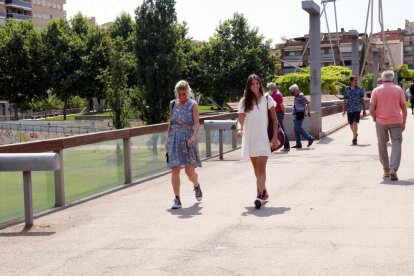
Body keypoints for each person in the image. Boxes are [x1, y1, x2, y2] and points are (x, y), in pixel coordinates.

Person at [236, 74, 279, 209]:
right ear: (249, 86)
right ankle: (264, 191)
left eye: (257, 83)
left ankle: (258, 195)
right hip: (250, 138)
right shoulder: (244, 101)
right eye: (252, 84)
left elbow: (274, 119)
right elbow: (240, 120)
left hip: (263, 139)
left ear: (260, 84)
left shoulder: (267, 99)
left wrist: (275, 137)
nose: (255, 86)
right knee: (256, 169)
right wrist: (239, 129)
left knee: (261, 168)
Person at [166, 80, 202, 209]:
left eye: (184, 94)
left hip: (188, 139)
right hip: (174, 138)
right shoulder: (172, 104)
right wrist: (167, 139)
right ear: (177, 93)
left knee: (189, 172)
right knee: (175, 169)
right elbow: (170, 122)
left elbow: (197, 124)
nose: (182, 97)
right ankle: (177, 199)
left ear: (188, 92)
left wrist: (194, 136)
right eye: (180, 94)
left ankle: (196, 185)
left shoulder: (193, 105)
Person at [369, 70, 407, 181]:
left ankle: (386, 170)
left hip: (381, 122)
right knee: (396, 143)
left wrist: (376, 118)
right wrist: (404, 122)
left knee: (382, 144)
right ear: (393, 79)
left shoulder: (376, 90)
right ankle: (393, 169)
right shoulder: (398, 89)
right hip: (396, 121)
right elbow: (404, 109)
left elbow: (371, 109)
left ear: (382, 79)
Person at [342, 75, 367, 145]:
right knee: (351, 124)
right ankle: (355, 133)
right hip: (349, 109)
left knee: (355, 122)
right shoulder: (347, 89)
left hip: (357, 108)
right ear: (351, 81)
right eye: (355, 80)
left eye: (357, 80)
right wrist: (343, 110)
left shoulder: (360, 89)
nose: (356, 82)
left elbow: (362, 100)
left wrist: (364, 110)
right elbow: (344, 100)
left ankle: (354, 138)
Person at [289, 84, 314, 148]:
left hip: (299, 115)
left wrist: (309, 112)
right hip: (296, 115)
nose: (291, 92)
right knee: (296, 129)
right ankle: (298, 144)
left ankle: (310, 138)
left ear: (295, 90)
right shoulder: (297, 96)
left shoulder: (300, 96)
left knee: (298, 128)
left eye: (292, 91)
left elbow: (308, 103)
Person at [267, 83, 290, 152]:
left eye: (268, 89)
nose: (268, 90)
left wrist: (283, 113)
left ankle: (286, 146)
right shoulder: (275, 94)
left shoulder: (277, 95)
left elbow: (281, 105)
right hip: (277, 113)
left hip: (278, 114)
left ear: (271, 88)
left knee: (281, 130)